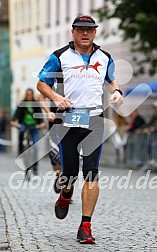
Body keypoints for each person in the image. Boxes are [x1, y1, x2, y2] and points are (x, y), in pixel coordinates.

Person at [37, 15, 123, 244]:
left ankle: (85, 226)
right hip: (69, 121)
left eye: (89, 30)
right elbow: (41, 83)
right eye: (80, 30)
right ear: (73, 32)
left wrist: (117, 92)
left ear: (95, 33)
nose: (85, 34)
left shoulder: (105, 57)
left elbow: (111, 80)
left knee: (92, 172)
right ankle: (65, 195)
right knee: (69, 174)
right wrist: (55, 96)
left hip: (95, 119)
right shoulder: (59, 56)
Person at [10, 88, 45, 175]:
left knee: (36, 146)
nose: (29, 96)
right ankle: (20, 150)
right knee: (21, 132)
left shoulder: (36, 104)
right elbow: (17, 114)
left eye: (30, 94)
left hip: (34, 126)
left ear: (32, 95)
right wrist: (14, 121)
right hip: (24, 125)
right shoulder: (22, 103)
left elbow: (40, 115)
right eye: (27, 94)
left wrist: (42, 123)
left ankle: (35, 165)